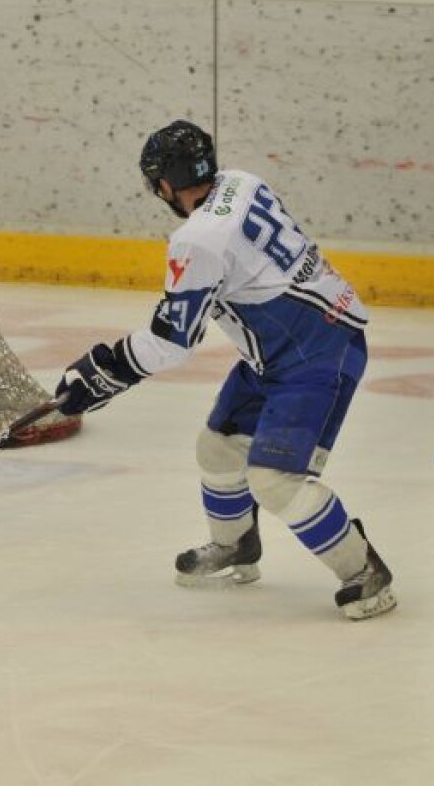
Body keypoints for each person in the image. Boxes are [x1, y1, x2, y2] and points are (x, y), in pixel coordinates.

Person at [54, 120, 396, 621]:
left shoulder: (198, 240)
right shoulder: (241, 180)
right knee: (217, 446)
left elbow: (173, 343)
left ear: (166, 184)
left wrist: (103, 373)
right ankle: (236, 546)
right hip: (286, 347)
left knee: (275, 479)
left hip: (317, 356)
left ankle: (364, 572)